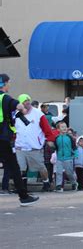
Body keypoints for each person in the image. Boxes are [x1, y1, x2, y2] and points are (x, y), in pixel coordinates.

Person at [0, 74, 39, 205]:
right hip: (3, 138)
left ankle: (23, 196)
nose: (10, 85)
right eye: (9, 82)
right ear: (4, 83)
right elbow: (17, 105)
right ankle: (23, 196)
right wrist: (22, 109)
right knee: (13, 166)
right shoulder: (4, 97)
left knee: (12, 166)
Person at [14, 93, 55, 192]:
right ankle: (22, 187)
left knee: (41, 167)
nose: (27, 103)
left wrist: (50, 139)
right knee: (21, 168)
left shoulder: (38, 114)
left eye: (28, 101)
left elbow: (46, 128)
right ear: (20, 104)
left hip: (34, 147)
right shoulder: (16, 115)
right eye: (24, 101)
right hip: (20, 146)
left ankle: (46, 183)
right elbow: (14, 129)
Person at [51, 121, 77, 192]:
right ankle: (58, 186)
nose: (64, 128)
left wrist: (75, 154)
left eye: (65, 126)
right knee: (59, 172)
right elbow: (55, 147)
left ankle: (74, 183)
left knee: (69, 172)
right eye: (62, 127)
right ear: (58, 129)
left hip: (68, 158)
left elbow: (74, 147)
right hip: (59, 158)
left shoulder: (69, 137)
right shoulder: (57, 138)